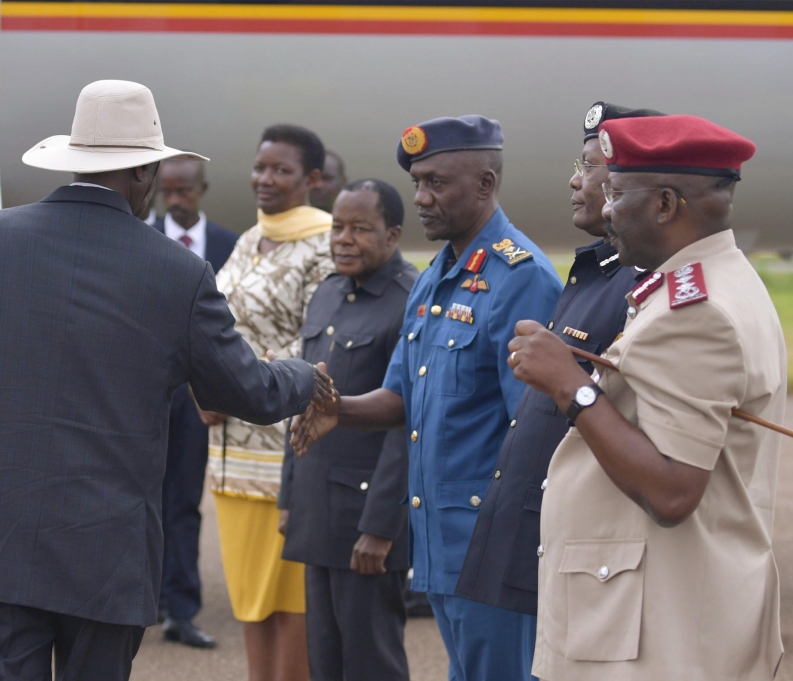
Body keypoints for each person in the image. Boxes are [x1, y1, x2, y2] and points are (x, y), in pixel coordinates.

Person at [0, 80, 334, 681]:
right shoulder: (178, 273)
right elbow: (248, 393)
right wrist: (306, 375)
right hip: (104, 553)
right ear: (146, 174)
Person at [507, 115, 784, 680]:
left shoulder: (697, 312)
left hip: (655, 636)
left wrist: (570, 384)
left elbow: (673, 490)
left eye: (615, 193)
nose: (605, 209)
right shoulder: (709, 281)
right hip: (652, 616)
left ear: (664, 204)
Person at [291, 115, 563, 681]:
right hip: (439, 544)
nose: (421, 197)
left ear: (486, 184)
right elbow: (400, 398)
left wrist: (513, 546)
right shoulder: (437, 274)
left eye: (438, 182)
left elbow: (535, 430)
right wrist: (338, 410)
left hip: (491, 547)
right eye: (418, 182)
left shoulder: (520, 277)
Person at [455, 103, 661, 618]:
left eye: (589, 167)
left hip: (580, 547)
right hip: (531, 536)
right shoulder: (597, 271)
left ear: (625, 180)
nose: (575, 182)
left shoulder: (641, 284)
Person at [206, 124, 336, 681]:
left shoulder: (325, 241)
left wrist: (227, 380)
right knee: (247, 598)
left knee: (290, 598)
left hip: (283, 450)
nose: (265, 179)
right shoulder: (247, 240)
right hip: (228, 452)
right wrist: (202, 380)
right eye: (260, 167)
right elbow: (213, 323)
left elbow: (321, 342)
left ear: (311, 179)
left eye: (280, 170)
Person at [279, 179, 417, 681]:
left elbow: (407, 422)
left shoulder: (409, 300)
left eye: (361, 228)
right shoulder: (328, 293)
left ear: (393, 235)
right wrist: (289, 497)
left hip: (365, 517)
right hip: (318, 508)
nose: (343, 238)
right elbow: (305, 402)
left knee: (371, 661)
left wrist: (381, 527)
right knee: (327, 661)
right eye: (338, 226)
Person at [137, 158, 237, 648]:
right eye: (167, 191)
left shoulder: (227, 246)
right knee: (141, 496)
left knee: (184, 502)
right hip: (144, 394)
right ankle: (144, 599)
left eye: (184, 191)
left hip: (197, 397)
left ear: (201, 190)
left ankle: (182, 609)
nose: (174, 200)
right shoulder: (138, 237)